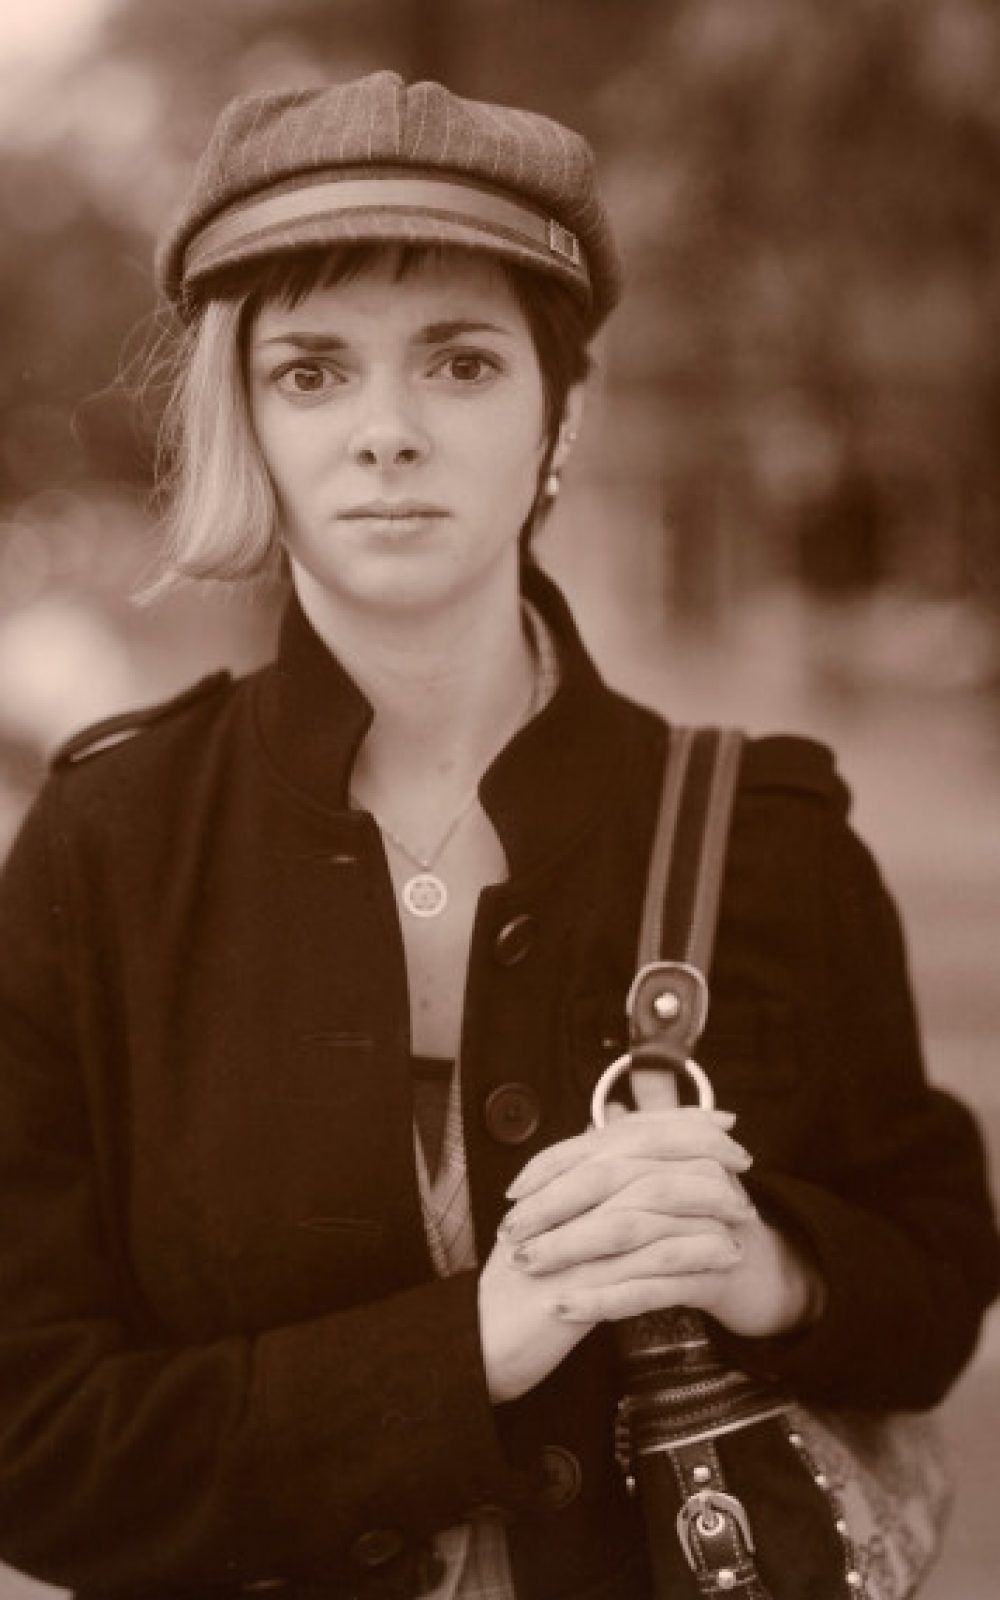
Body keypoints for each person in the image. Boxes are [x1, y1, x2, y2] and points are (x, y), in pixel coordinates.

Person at [0, 70, 996, 1600]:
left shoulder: (769, 828)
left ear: (561, 416)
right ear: (242, 419)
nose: (387, 433)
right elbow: (33, 1447)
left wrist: (763, 1261)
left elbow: (934, 1281)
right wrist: (473, 1345)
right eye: (314, 372)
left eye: (461, 365)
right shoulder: (100, 848)